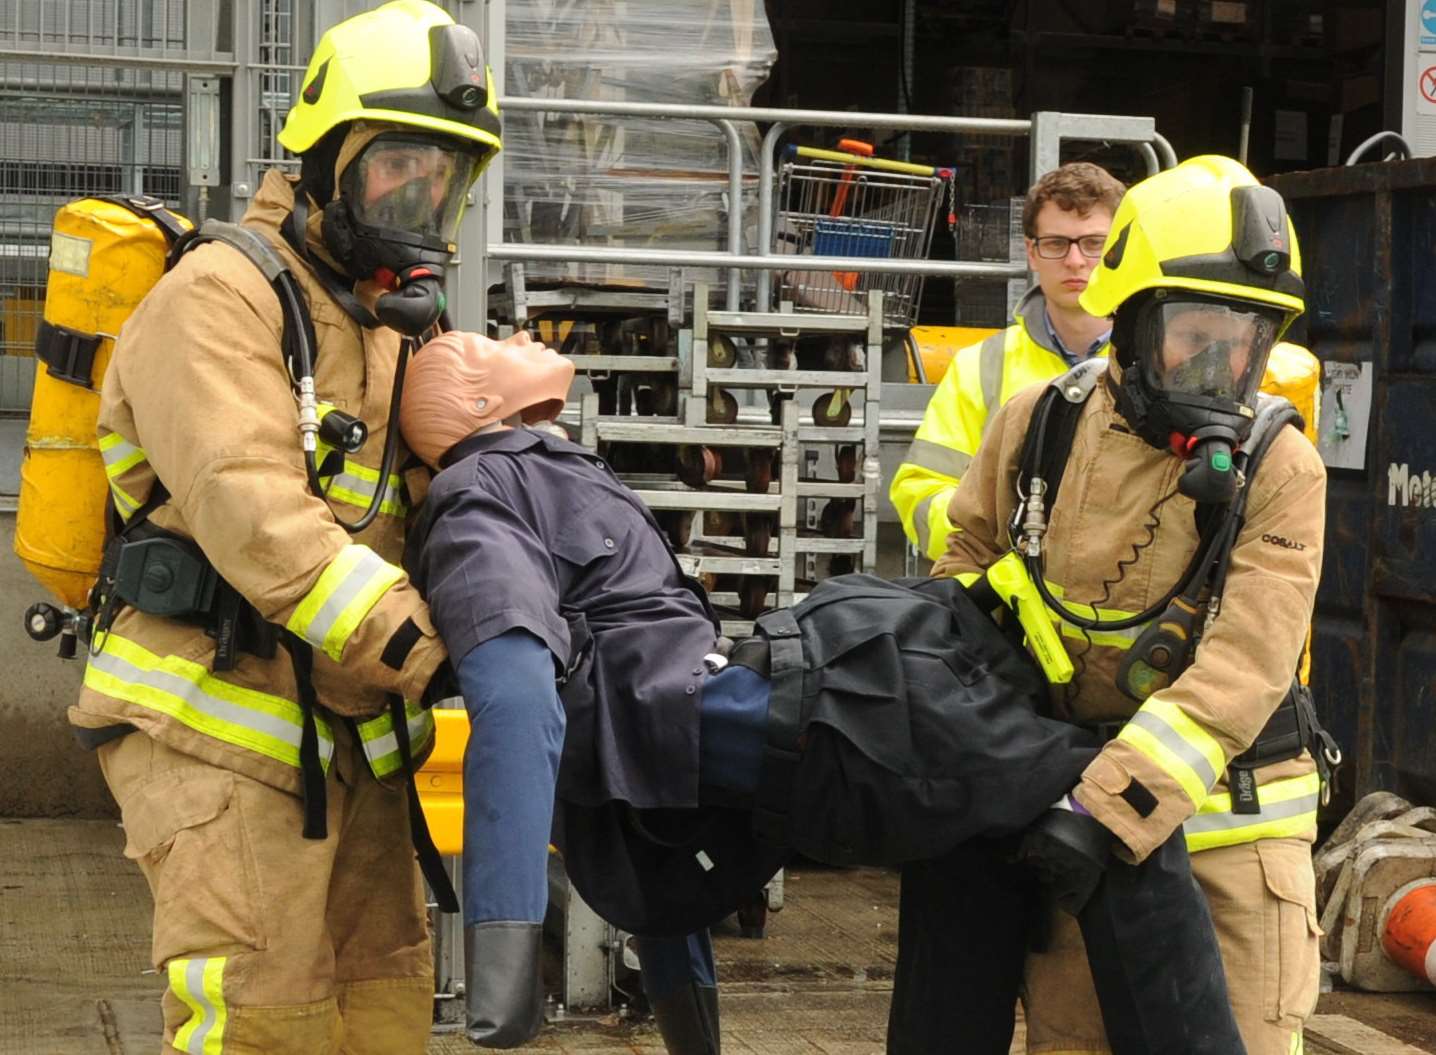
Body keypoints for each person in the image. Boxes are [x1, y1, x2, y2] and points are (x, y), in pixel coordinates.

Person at [400, 330, 1249, 1055]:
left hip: (755, 700)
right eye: (489, 345)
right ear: (474, 403)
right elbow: (515, 699)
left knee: (980, 834)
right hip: (784, 716)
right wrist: (501, 973)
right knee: (1101, 797)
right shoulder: (476, 498)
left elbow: (657, 839)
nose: (517, 340)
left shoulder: (540, 468)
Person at [67, 3, 503, 1051]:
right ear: (321, 158)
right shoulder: (218, 301)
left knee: (382, 1006)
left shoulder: (387, 319)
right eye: (396, 161)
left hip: (352, 736)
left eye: (443, 174)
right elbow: (257, 511)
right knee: (264, 1021)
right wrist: (434, 649)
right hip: (220, 726)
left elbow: (441, 500)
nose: (418, 194)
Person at [927, 155, 1327, 1055]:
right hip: (1069, 826)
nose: (1221, 359)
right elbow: (966, 564)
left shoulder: (1282, 465)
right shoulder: (1037, 422)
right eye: (1194, 328)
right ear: (1132, 314)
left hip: (1232, 842)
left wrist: (1102, 808)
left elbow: (1247, 661)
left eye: (1248, 334)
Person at [890, 161, 1125, 562]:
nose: (1074, 261)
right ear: (1032, 253)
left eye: (1094, 244)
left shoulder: (1161, 362)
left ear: (1121, 250)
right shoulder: (980, 366)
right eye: (1055, 244)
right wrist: (1006, 535)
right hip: (1000, 602)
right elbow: (920, 493)